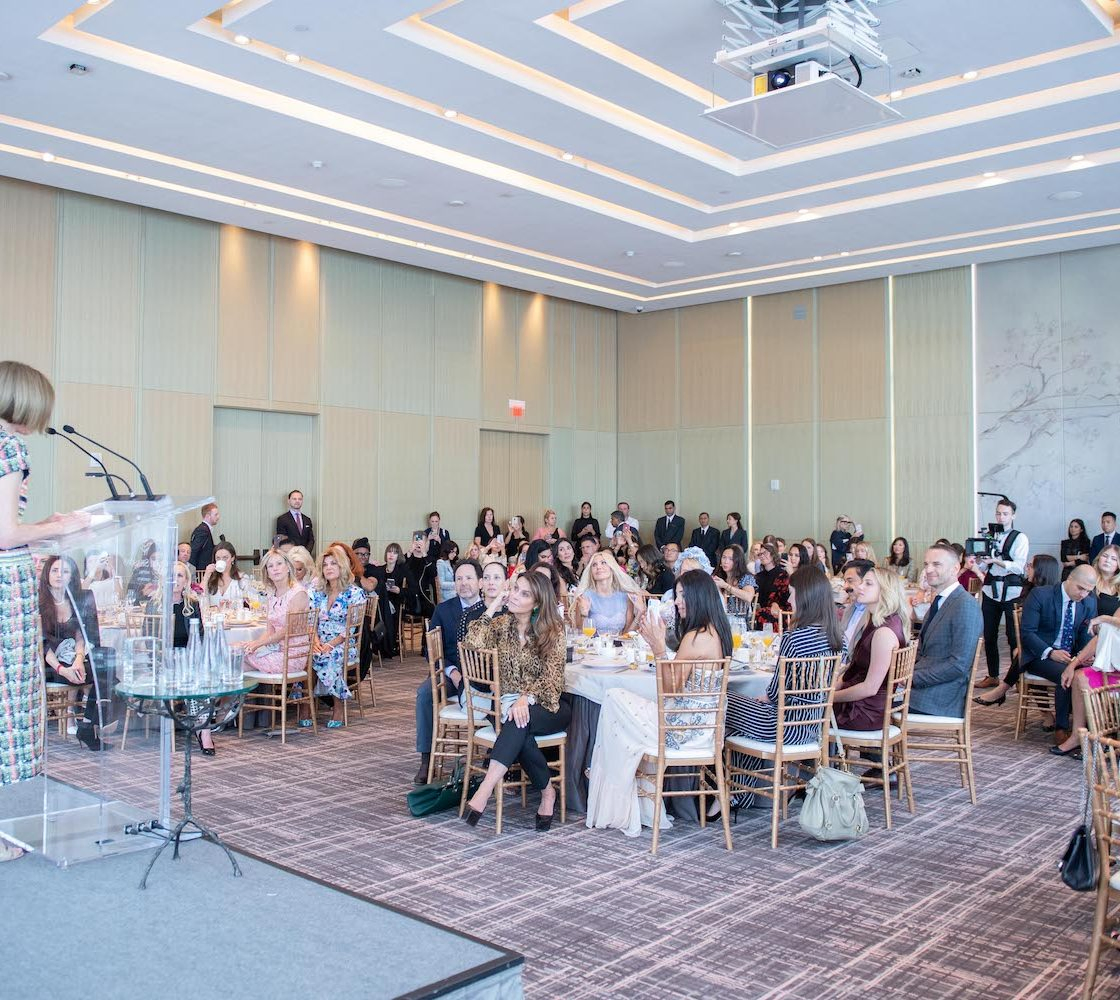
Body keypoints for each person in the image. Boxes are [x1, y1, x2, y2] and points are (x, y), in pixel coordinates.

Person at [0, 363, 91, 864]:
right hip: (6, 589)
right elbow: (5, 534)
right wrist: (58, 527)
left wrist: (42, 524)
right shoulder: (9, 446)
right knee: (10, 706)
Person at [585, 570, 733, 836]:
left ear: (699, 596)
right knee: (621, 700)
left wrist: (658, 648)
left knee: (613, 697)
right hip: (703, 730)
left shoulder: (696, 637)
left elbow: (669, 689)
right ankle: (622, 781)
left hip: (680, 732)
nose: (677, 602)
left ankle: (616, 782)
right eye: (677, 595)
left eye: (682, 596)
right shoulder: (716, 631)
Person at [724, 566, 845, 809]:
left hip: (783, 727)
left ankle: (735, 793)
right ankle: (740, 795)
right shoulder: (836, 637)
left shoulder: (794, 638)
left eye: (792, 593)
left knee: (724, 699)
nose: (789, 599)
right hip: (811, 725)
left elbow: (776, 692)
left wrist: (765, 698)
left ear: (805, 597)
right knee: (741, 719)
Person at [461, 572, 570, 829]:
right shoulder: (502, 625)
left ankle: (485, 789)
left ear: (537, 603)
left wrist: (526, 698)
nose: (515, 596)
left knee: (518, 719)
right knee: (519, 726)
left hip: (548, 704)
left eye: (524, 594)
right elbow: (471, 641)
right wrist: (493, 605)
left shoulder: (553, 630)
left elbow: (553, 679)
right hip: (506, 704)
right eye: (515, 589)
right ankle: (548, 792)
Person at [974, 565, 1098, 747]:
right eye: (1080, 588)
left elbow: (1085, 635)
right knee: (1067, 675)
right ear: (1069, 579)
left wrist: (1083, 655)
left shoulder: (1089, 602)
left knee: (1090, 672)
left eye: (1088, 591)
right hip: (1039, 655)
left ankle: (1087, 727)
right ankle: (1061, 729)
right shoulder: (1042, 595)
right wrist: (1050, 652)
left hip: (1069, 656)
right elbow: (1028, 633)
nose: (1083, 594)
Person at [413, 558, 486, 784]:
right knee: (425, 694)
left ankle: (493, 754)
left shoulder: (490, 610)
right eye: (459, 579)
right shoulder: (444, 610)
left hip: (483, 676)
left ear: (480, 582)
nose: (464, 583)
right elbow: (431, 652)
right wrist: (453, 672)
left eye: (469, 578)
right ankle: (426, 758)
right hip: (450, 674)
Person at [40, 555, 110, 752]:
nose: (59, 575)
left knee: (107, 657)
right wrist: (63, 670)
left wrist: (78, 660)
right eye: (55, 570)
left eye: (65, 571)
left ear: (72, 576)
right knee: (106, 676)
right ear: (47, 574)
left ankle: (87, 723)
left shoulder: (79, 598)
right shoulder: (38, 600)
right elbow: (41, 644)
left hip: (75, 660)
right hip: (51, 666)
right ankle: (90, 725)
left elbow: (82, 635)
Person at [909, 543, 984, 717]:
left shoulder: (965, 605)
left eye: (936, 564)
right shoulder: (940, 601)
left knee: (867, 706)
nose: (928, 570)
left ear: (955, 568)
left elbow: (959, 665)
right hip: (921, 689)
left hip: (939, 697)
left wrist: (911, 679)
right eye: (926, 564)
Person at [832, 568, 909, 731]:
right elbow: (854, 670)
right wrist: (832, 690)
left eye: (868, 584)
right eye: (862, 582)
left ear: (885, 590)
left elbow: (870, 688)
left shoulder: (884, 632)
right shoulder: (876, 621)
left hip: (864, 712)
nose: (860, 587)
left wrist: (830, 698)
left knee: (800, 712)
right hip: (860, 704)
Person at [308, 544, 367, 728]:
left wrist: (331, 644)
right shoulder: (317, 592)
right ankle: (305, 704)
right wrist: (316, 642)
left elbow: (351, 629)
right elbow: (310, 621)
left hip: (344, 644)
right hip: (318, 641)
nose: (329, 568)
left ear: (342, 566)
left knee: (329, 656)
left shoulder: (355, 593)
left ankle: (338, 705)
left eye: (333, 563)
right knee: (304, 655)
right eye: (325, 565)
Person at [976, 497, 1029, 688]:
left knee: (1013, 636)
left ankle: (1017, 677)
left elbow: (1019, 566)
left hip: (1012, 591)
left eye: (1005, 514)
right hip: (990, 590)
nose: (1001, 517)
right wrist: (979, 561)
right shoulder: (988, 536)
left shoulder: (1020, 537)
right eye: (998, 513)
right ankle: (993, 675)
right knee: (989, 634)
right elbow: (983, 566)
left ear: (1013, 515)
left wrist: (996, 560)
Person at [242, 548, 311, 674]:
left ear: (288, 567)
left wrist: (258, 644)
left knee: (237, 660)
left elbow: (288, 630)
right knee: (235, 650)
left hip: (292, 655)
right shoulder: (272, 594)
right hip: (274, 650)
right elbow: (270, 631)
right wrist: (253, 644)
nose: (275, 568)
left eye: (279, 564)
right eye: (270, 566)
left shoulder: (298, 593)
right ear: (267, 573)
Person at [572, 550, 642, 635]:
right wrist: (584, 615)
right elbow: (579, 633)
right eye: (594, 565)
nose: (599, 567)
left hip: (620, 642)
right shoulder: (584, 596)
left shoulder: (625, 595)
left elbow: (627, 633)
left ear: (612, 567)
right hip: (593, 643)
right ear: (591, 572)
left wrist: (640, 613)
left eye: (603, 563)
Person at [371, 543, 407, 658]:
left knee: (385, 611)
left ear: (398, 556)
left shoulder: (401, 571)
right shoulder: (379, 570)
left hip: (395, 603)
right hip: (381, 603)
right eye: (389, 552)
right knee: (376, 612)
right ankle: (378, 644)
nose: (391, 555)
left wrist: (398, 590)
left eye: (395, 553)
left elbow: (410, 591)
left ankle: (386, 645)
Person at [839, 559, 876, 653]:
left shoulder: (876, 614)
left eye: (850, 581)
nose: (845, 587)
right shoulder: (849, 609)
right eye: (844, 581)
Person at [712, 545, 756, 619]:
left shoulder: (745, 577)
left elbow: (748, 597)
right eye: (724, 557)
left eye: (731, 559)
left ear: (738, 561)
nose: (726, 561)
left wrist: (725, 585)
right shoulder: (718, 577)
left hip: (740, 620)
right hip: (720, 619)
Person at [753, 543, 790, 630]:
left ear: (773, 554)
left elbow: (784, 598)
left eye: (765, 553)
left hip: (778, 612)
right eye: (760, 554)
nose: (762, 556)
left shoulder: (783, 574)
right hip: (762, 611)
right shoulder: (758, 576)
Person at [201, 541, 246, 612]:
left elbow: (249, 602)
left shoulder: (241, 578)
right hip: (213, 617)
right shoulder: (211, 578)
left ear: (232, 558)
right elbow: (200, 597)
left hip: (234, 617)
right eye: (218, 558)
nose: (221, 561)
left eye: (225, 558)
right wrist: (206, 576)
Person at [276, 489, 314, 555]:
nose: (297, 501)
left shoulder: (307, 520)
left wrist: (306, 553)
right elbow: (281, 541)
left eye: (300, 499)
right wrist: (293, 554)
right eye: (294, 499)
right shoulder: (282, 519)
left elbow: (311, 540)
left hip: (305, 556)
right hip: (289, 556)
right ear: (288, 501)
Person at [189, 502, 221, 572]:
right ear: (208, 516)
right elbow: (194, 551)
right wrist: (193, 573)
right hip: (201, 571)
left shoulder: (204, 529)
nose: (218, 517)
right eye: (216, 514)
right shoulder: (202, 530)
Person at [1092, 546, 1120, 618]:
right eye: (1105, 556)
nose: (1108, 560)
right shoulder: (1089, 580)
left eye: (1114, 559)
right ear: (1098, 558)